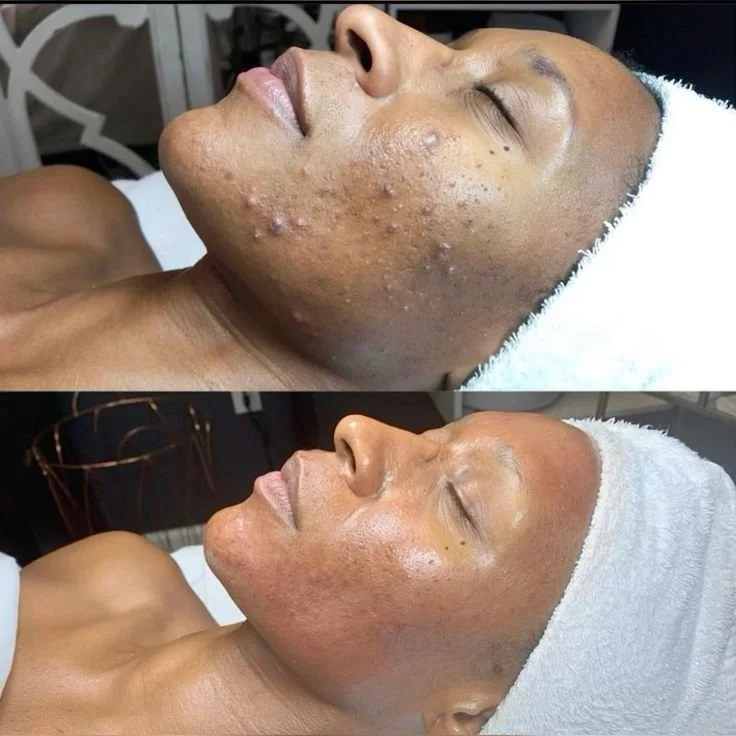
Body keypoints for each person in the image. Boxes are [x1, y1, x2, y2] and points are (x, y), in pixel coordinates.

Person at [0, 4, 667, 390]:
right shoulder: (69, 208)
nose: (365, 22)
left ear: (502, 357)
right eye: (450, 46)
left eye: (496, 104)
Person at [1, 411, 734, 734]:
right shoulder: (118, 573)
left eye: (459, 502)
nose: (358, 429)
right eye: (433, 436)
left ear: (473, 718)